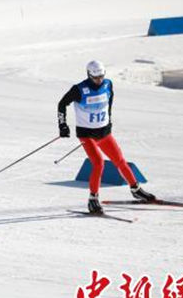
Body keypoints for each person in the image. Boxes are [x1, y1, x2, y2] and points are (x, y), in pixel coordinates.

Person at [58, 60, 156, 214]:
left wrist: (108, 119)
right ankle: (93, 199)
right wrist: (63, 126)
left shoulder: (108, 84)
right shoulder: (79, 89)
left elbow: (109, 101)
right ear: (89, 75)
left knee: (120, 161)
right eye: (95, 78)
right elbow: (62, 104)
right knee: (98, 163)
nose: (99, 80)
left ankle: (136, 189)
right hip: (86, 134)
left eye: (101, 77)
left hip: (103, 132)